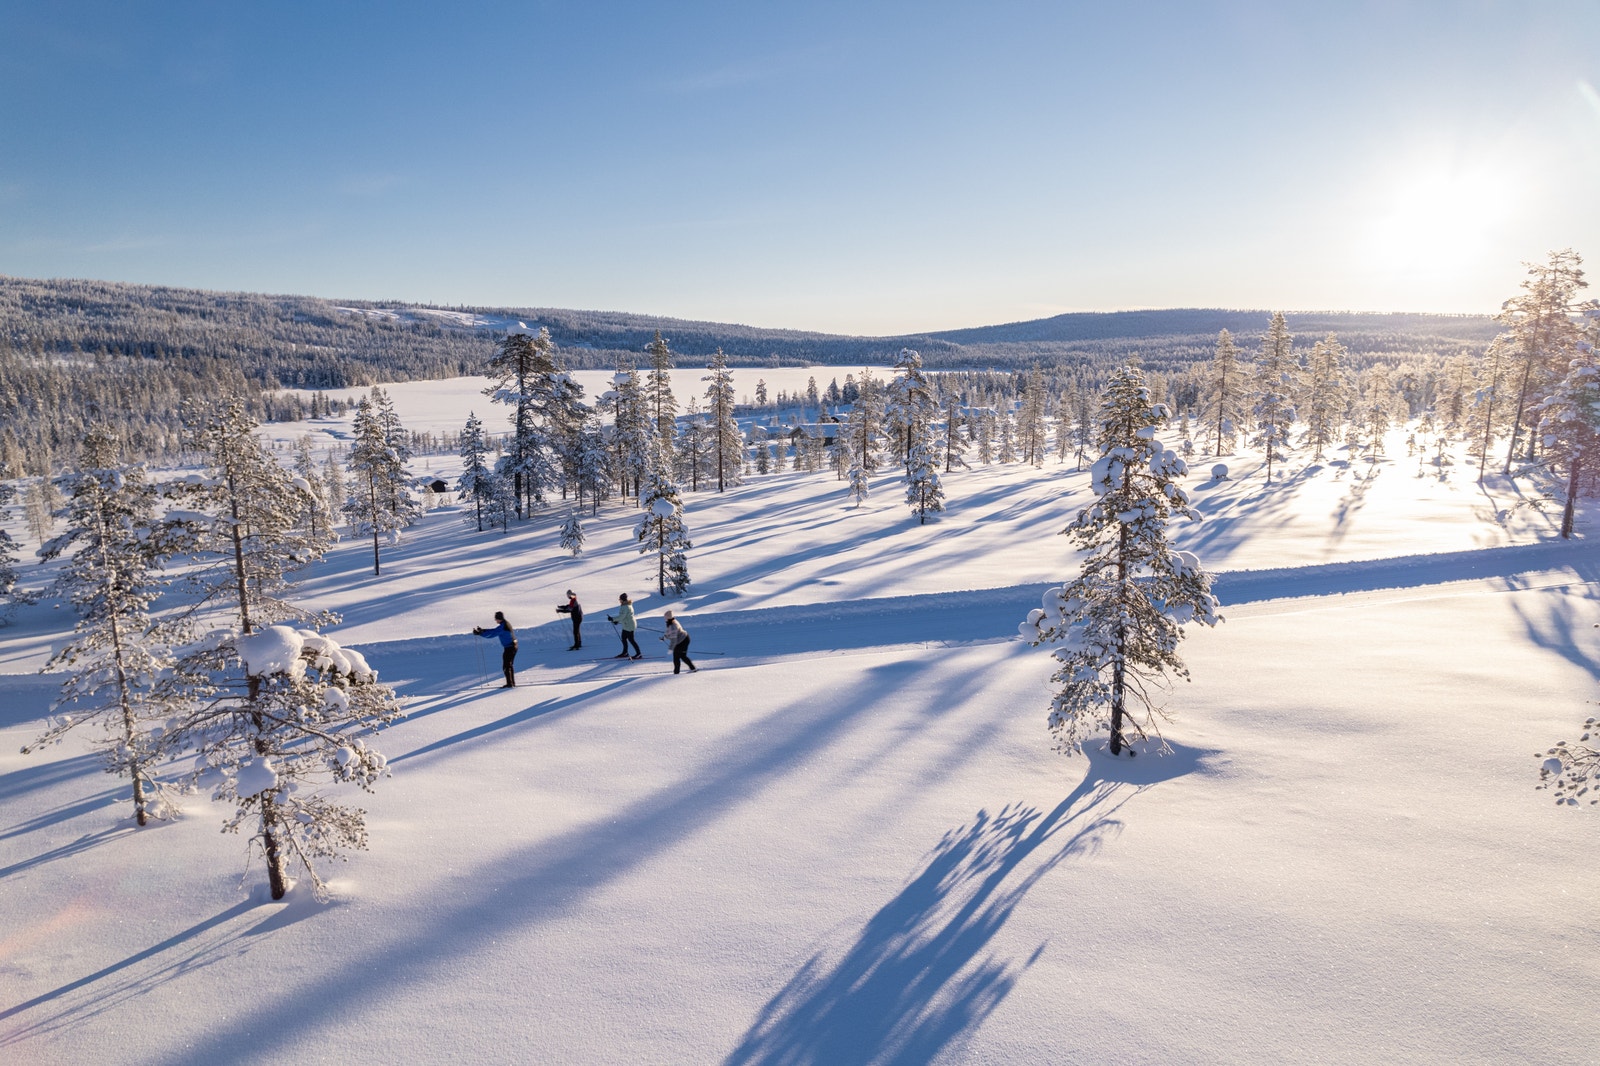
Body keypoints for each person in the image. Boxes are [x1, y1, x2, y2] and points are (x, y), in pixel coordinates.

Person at [473, 611, 518, 687]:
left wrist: (480, 634)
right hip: (512, 646)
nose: (495, 620)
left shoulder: (503, 626)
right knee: (509, 665)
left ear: (499, 618)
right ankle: (511, 683)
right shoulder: (504, 624)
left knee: (506, 666)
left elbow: (493, 634)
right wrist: (483, 630)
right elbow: (494, 630)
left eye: (496, 619)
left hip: (510, 647)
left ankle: (510, 684)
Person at [660, 610, 696, 674]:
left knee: (677, 657)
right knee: (682, 656)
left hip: (682, 641)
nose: (664, 619)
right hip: (684, 638)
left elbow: (674, 640)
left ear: (667, 618)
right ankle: (693, 668)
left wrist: (671, 649)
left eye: (665, 617)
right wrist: (664, 637)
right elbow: (670, 633)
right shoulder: (672, 622)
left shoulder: (672, 626)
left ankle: (676, 673)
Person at [609, 593, 642, 660]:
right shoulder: (627, 605)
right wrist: (617, 621)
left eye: (620, 599)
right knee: (623, 638)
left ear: (622, 599)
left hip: (629, 626)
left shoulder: (625, 607)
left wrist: (613, 619)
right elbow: (625, 617)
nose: (619, 600)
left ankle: (639, 654)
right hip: (626, 625)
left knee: (631, 640)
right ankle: (625, 652)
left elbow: (622, 616)